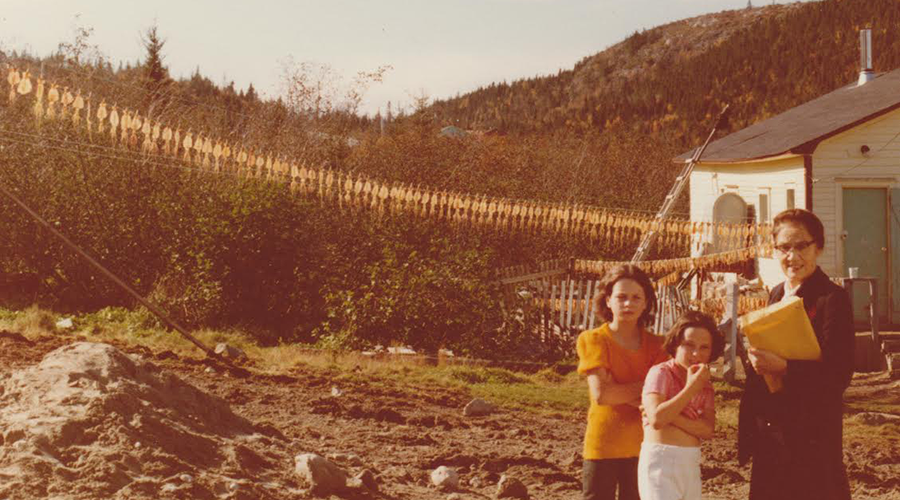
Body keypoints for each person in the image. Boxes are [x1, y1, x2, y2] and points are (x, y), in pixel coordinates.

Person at [738, 208, 854, 500]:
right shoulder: (777, 293)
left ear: (819, 247)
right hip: (773, 423)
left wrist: (785, 367)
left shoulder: (832, 299)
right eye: (784, 248)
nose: (793, 256)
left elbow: (839, 373)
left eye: (802, 246)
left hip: (812, 427)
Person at [576, 264, 668, 500]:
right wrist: (646, 390)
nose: (628, 304)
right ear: (608, 300)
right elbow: (603, 395)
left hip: (645, 447)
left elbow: (662, 398)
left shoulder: (660, 347)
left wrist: (620, 388)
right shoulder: (593, 340)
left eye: (636, 297)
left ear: (646, 303)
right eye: (621, 297)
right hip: (602, 446)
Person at [638, 310, 724, 500]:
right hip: (661, 461)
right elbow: (658, 420)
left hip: (690, 462)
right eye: (689, 345)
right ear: (676, 344)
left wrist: (672, 415)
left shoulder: (706, 386)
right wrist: (691, 388)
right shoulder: (661, 373)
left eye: (704, 348)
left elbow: (707, 430)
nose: (696, 354)